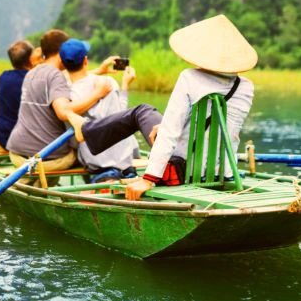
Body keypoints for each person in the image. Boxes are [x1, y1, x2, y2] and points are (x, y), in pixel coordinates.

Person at [67, 14, 256, 201]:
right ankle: (85, 130)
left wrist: (149, 179)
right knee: (152, 118)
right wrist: (165, 125)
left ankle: (84, 130)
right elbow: (220, 129)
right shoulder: (246, 86)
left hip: (183, 170)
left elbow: (170, 132)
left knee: (141, 111)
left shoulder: (190, 77)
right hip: (222, 172)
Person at [5, 29, 115, 173]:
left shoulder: (32, 72)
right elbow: (63, 111)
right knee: (88, 153)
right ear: (61, 51)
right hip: (46, 159)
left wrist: (98, 71)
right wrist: (98, 94)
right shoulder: (56, 76)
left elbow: (63, 79)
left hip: (16, 153)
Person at [60, 38, 139, 183]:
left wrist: (100, 71)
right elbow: (122, 116)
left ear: (63, 64)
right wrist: (125, 85)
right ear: (85, 60)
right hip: (122, 163)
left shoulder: (63, 94)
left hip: (94, 164)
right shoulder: (108, 83)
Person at [0, 39, 41, 152]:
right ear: (31, 60)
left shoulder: (4, 78)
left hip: (5, 139)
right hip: (32, 141)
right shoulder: (36, 79)